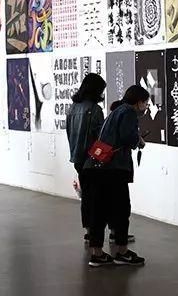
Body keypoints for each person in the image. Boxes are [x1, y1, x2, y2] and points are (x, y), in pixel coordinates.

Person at [83, 85, 150, 267]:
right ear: (138, 102)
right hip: (114, 169)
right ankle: (122, 252)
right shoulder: (128, 112)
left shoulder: (116, 110)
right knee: (121, 210)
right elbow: (128, 137)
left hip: (98, 166)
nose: (146, 107)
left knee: (99, 211)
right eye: (145, 103)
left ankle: (97, 254)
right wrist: (138, 140)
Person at [66, 74, 106, 243]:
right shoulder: (95, 110)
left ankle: (89, 231)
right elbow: (101, 137)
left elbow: (69, 133)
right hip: (92, 160)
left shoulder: (73, 108)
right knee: (96, 198)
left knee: (86, 197)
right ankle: (96, 234)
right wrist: (103, 158)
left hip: (77, 158)